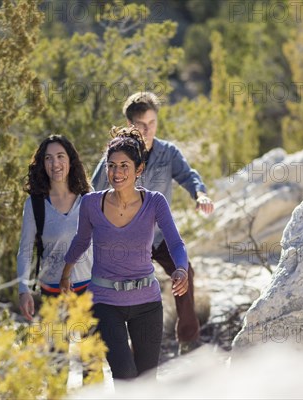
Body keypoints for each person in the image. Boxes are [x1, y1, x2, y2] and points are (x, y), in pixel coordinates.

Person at [60, 126, 189, 380]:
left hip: (147, 303)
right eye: (111, 166)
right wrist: (66, 273)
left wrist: (181, 268)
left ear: (139, 169)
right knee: (125, 376)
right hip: (104, 303)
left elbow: (176, 242)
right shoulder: (90, 203)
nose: (116, 172)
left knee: (147, 380)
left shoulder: (154, 202)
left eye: (124, 166)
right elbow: (81, 241)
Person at [91, 92, 214, 354]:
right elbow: (90, 194)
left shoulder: (168, 153)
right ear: (129, 124)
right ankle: (125, 348)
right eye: (141, 124)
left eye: (152, 123)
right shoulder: (114, 158)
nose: (148, 130)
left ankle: (188, 339)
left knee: (185, 274)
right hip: (122, 241)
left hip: (158, 237)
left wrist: (200, 193)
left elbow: (188, 175)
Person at [17, 135, 92, 320]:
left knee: (94, 349)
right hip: (53, 290)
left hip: (91, 289)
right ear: (42, 164)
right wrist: (23, 289)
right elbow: (25, 250)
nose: (55, 163)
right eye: (48, 158)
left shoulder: (88, 198)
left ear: (70, 161)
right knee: (55, 349)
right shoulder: (35, 204)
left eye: (60, 156)